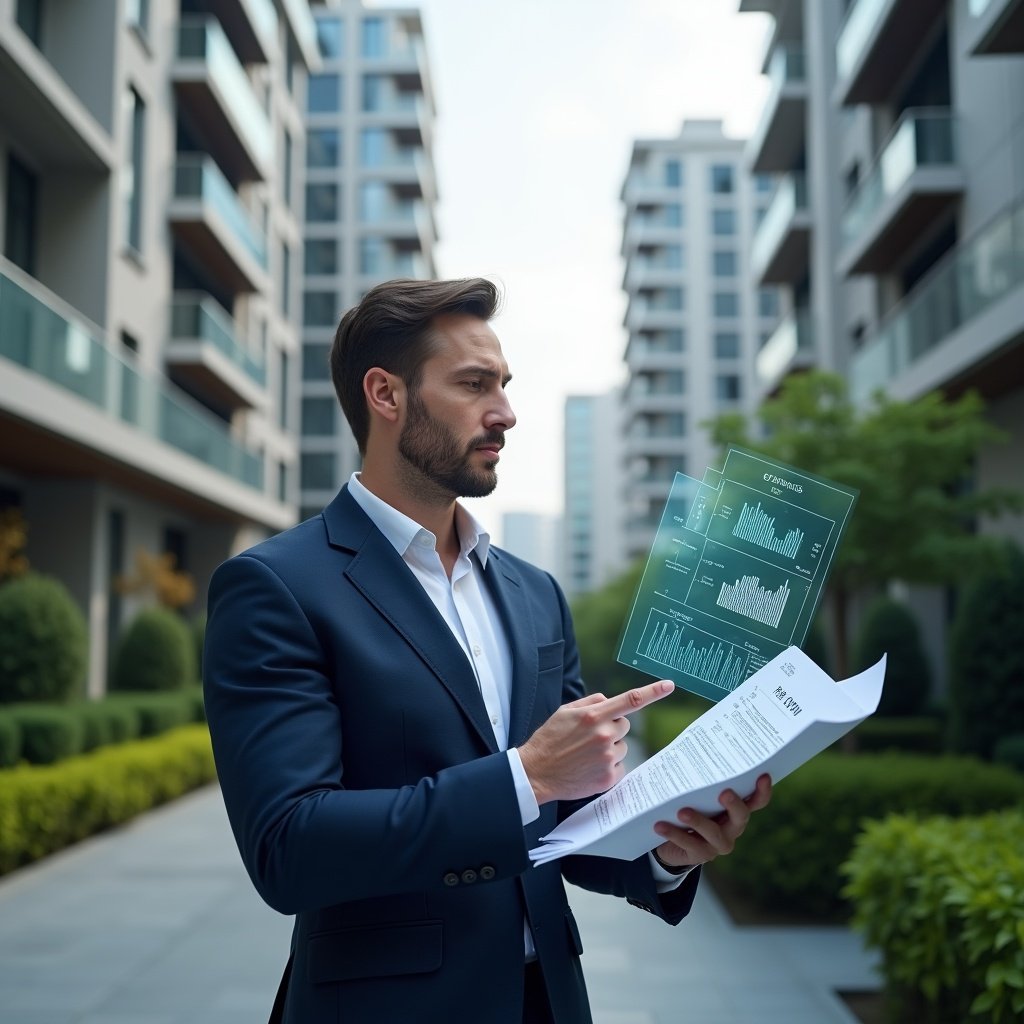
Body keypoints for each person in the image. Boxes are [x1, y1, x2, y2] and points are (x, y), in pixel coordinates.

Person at [203, 277, 772, 1024]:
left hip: (550, 1003)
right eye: (474, 385)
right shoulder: (276, 586)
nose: (504, 412)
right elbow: (290, 846)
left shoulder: (534, 593)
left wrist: (667, 850)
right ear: (386, 395)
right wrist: (526, 775)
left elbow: (565, 825)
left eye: (503, 385)